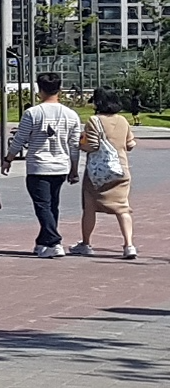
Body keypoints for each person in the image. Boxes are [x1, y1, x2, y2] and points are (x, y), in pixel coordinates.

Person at [3, 73, 83, 258]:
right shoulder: (71, 115)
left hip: (38, 166)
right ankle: (43, 242)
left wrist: (8, 159)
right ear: (59, 89)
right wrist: (74, 169)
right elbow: (74, 145)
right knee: (52, 205)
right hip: (61, 166)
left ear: (39, 90)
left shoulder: (33, 113)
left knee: (42, 205)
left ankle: (54, 242)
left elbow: (19, 139)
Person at [72, 89, 139, 260]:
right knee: (122, 208)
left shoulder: (94, 121)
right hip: (121, 170)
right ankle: (129, 245)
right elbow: (130, 144)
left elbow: (92, 146)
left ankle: (86, 243)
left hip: (98, 173)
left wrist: (80, 144)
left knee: (90, 207)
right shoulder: (123, 120)